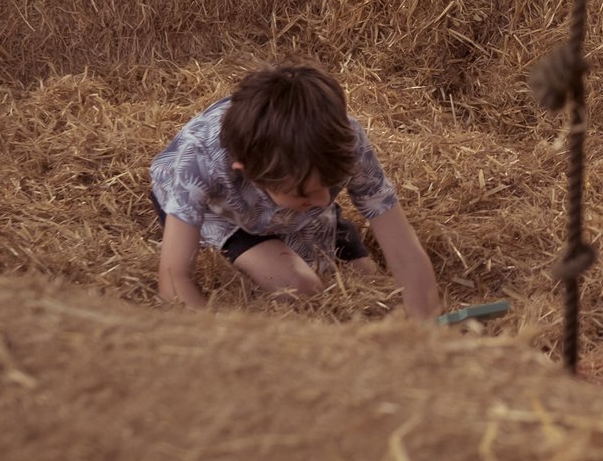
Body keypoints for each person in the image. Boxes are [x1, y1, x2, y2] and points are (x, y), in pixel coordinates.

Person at [152, 64, 440, 322]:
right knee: (298, 287)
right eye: (305, 192)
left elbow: (403, 251)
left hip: (285, 202)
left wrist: (425, 333)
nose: (326, 199)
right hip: (222, 211)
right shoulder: (197, 161)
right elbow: (173, 279)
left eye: (331, 183)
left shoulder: (342, 139)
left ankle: (310, 214)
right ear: (249, 172)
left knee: (367, 278)